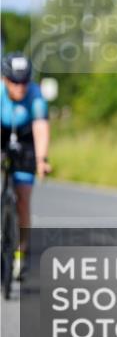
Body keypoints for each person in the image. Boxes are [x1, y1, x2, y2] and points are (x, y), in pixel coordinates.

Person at [1, 52, 53, 280]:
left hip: (25, 139)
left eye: (24, 81)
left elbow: (40, 129)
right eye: (14, 81)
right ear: (4, 79)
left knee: (23, 197)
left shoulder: (35, 95)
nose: (20, 87)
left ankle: (20, 253)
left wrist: (41, 160)